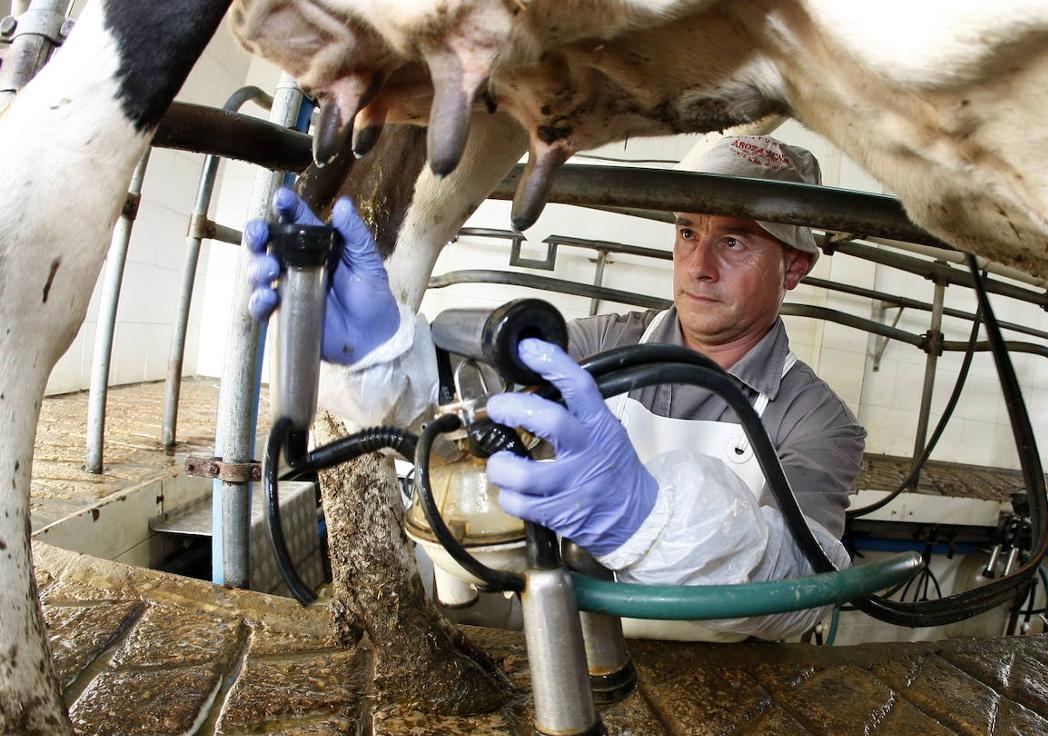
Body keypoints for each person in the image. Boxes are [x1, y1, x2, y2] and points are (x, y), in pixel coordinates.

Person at [246, 136, 866, 640]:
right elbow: (463, 410)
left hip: (730, 687)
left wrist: (647, 518)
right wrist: (383, 356)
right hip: (576, 654)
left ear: (794, 267)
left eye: (733, 240)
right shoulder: (600, 345)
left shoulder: (816, 419)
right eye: (686, 232)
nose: (699, 264)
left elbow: (805, 592)